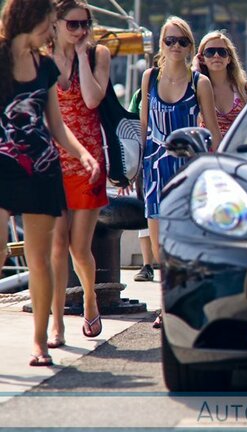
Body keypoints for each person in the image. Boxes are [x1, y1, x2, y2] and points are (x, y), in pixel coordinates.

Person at [0, 0, 99, 366]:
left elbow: (56, 125)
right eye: (47, 22)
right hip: (2, 166)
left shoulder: (45, 68)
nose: (50, 30)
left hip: (42, 169)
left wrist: (83, 154)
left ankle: (40, 342)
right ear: (28, 20)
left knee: (40, 260)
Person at [139, 16, 222, 327]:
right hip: (155, 168)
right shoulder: (149, 77)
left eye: (182, 41)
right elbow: (143, 127)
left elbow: (211, 131)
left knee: (185, 243)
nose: (175, 46)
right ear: (162, 43)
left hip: (186, 171)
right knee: (160, 247)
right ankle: (166, 308)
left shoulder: (199, 82)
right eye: (170, 40)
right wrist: (134, 171)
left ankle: (183, 303)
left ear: (190, 46)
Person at [47, 0, 109, 348]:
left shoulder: (98, 54)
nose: (81, 30)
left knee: (78, 248)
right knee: (57, 246)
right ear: (56, 23)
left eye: (85, 23)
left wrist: (82, 55)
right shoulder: (42, 57)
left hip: (88, 161)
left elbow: (90, 100)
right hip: (53, 163)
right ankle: (57, 324)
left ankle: (89, 297)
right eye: (73, 24)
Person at [194, 30, 247, 138]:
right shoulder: (196, 89)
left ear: (229, 59)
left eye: (222, 52)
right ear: (202, 59)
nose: (216, 55)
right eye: (210, 52)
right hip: (208, 153)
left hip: (237, 152)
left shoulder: (245, 88)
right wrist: (195, 69)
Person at [128, 88, 156, 282]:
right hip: (147, 157)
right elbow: (131, 122)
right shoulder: (142, 93)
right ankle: (147, 264)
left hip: (175, 157)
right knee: (146, 210)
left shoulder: (189, 85)